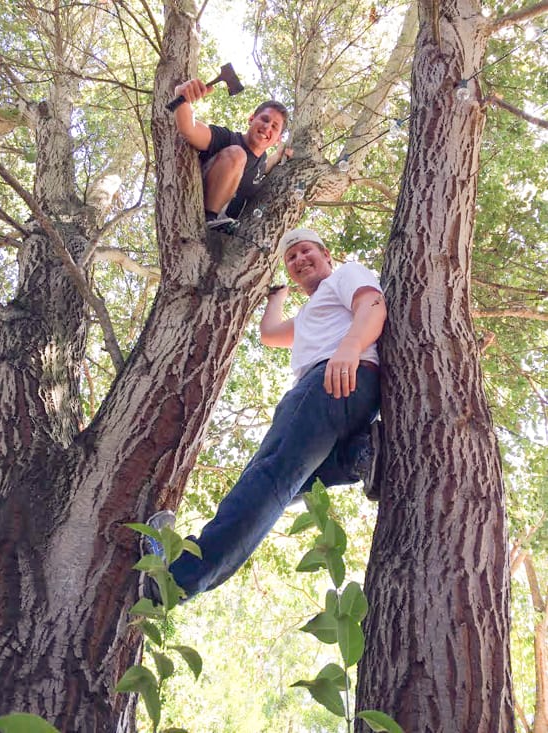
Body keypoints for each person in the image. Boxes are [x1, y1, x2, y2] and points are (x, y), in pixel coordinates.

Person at [142, 228, 387, 603]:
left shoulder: (345, 275)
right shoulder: (312, 311)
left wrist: (350, 347)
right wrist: (277, 297)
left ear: (327, 254)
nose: (299, 260)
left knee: (270, 474)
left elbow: (372, 304)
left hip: (334, 378)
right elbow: (271, 334)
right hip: (346, 394)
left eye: (306, 251)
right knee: (291, 485)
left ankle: (177, 579)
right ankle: (358, 456)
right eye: (291, 259)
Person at [173, 78, 291, 228]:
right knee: (237, 154)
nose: (267, 127)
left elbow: (267, 165)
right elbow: (189, 130)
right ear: (251, 119)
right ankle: (211, 219)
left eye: (274, 127)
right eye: (264, 119)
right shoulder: (227, 138)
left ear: (278, 139)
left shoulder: (261, 162)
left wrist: (280, 154)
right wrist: (181, 97)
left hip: (226, 236)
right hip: (198, 212)